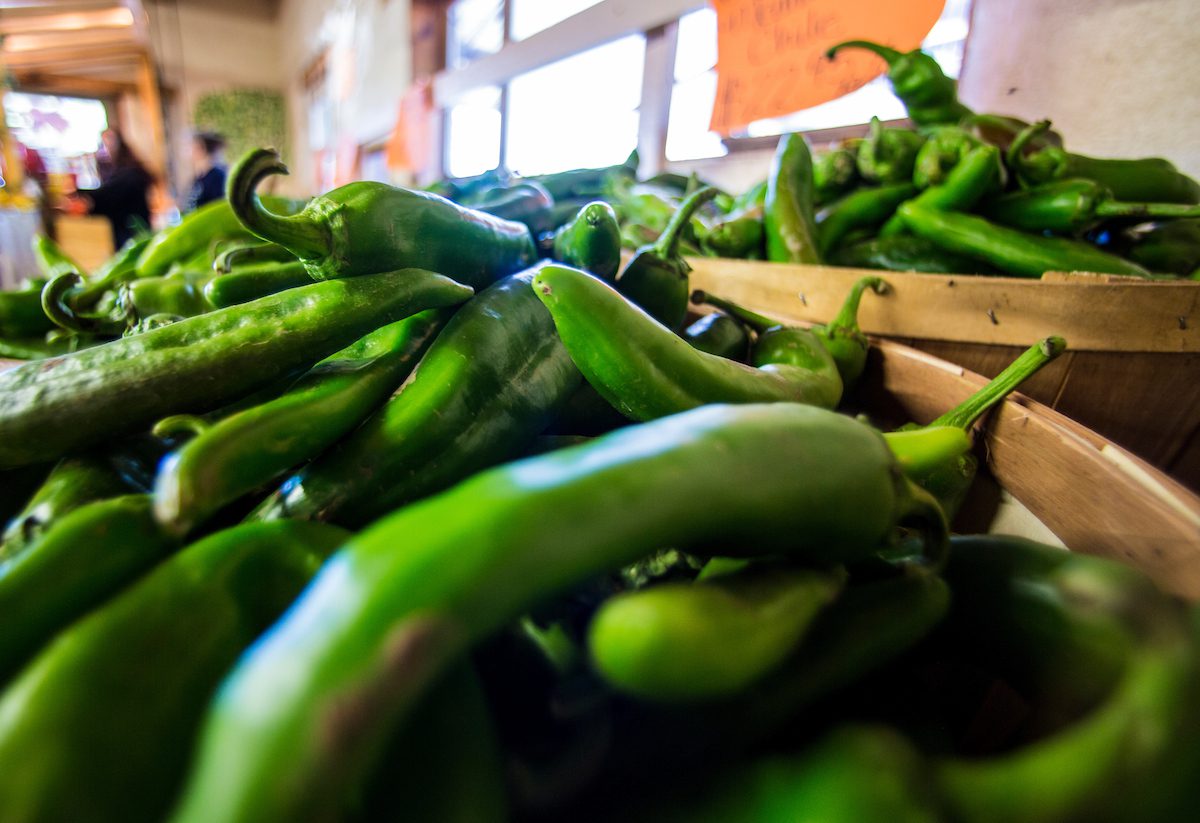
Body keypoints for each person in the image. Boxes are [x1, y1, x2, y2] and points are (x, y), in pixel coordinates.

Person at [63, 129, 153, 249]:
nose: (106, 149)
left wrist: (79, 192)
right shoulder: (120, 170)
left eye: (108, 143)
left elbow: (108, 193)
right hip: (127, 230)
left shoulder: (130, 172)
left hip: (133, 230)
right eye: (104, 144)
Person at [188, 131, 227, 211]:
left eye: (193, 147)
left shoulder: (217, 177)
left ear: (202, 149)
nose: (190, 151)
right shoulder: (199, 177)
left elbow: (219, 206)